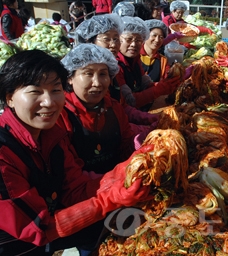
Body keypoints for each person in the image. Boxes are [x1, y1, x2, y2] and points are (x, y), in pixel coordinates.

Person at [0, 49, 149, 255]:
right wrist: (111, 198)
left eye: (55, 90)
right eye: (35, 92)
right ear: (9, 98)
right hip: (16, 244)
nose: (49, 102)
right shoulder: (4, 154)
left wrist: (127, 173)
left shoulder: (52, 135)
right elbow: (39, 227)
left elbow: (75, 189)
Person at [74, 14, 159, 146]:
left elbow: (121, 109)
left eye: (116, 38)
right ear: (90, 41)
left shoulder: (111, 71)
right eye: (106, 39)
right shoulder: (80, 78)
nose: (113, 44)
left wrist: (152, 122)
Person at [57, 44, 137, 175]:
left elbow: (126, 144)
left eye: (102, 74)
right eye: (88, 74)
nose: (97, 83)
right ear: (70, 78)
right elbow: (71, 175)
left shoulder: (114, 107)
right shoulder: (61, 116)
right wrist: (116, 181)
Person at [116, 16, 181, 110]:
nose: (134, 44)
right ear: (118, 40)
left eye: (138, 40)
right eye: (129, 39)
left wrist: (165, 84)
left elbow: (146, 83)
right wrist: (158, 90)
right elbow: (129, 101)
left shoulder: (135, 60)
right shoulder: (116, 67)